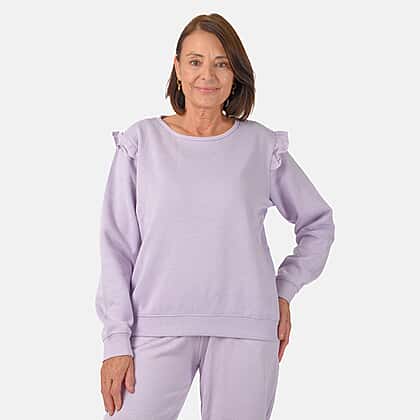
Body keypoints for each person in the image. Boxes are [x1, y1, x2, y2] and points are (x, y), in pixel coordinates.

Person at [95, 13, 335, 420]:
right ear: (177, 68)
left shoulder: (261, 146)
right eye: (195, 61)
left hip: (247, 328)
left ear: (235, 73)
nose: (207, 74)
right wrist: (116, 340)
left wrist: (283, 290)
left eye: (221, 63)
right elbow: (116, 247)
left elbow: (318, 223)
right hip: (155, 325)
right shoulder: (141, 142)